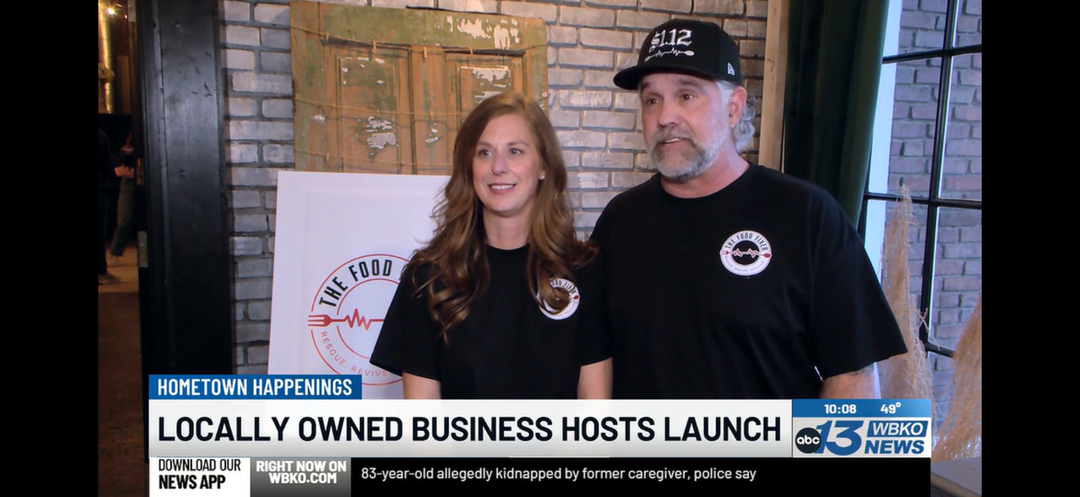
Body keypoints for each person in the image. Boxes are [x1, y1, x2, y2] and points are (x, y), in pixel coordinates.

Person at [592, 19, 907, 400]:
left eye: (686, 95)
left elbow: (852, 376)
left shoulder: (808, 215)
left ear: (734, 107)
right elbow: (594, 358)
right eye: (652, 100)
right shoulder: (620, 221)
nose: (665, 117)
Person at [370, 91, 612, 399]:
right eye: (484, 152)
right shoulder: (427, 277)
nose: (498, 166)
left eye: (515, 151)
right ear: (469, 168)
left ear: (543, 166)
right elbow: (422, 419)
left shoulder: (583, 270)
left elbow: (595, 412)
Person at [108, 131, 137, 267]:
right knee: (124, 219)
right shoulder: (120, 153)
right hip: (130, 184)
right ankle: (115, 252)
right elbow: (120, 172)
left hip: (143, 182)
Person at [98, 128, 121, 285]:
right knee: (99, 231)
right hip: (99, 188)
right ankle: (100, 271)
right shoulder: (100, 136)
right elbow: (107, 163)